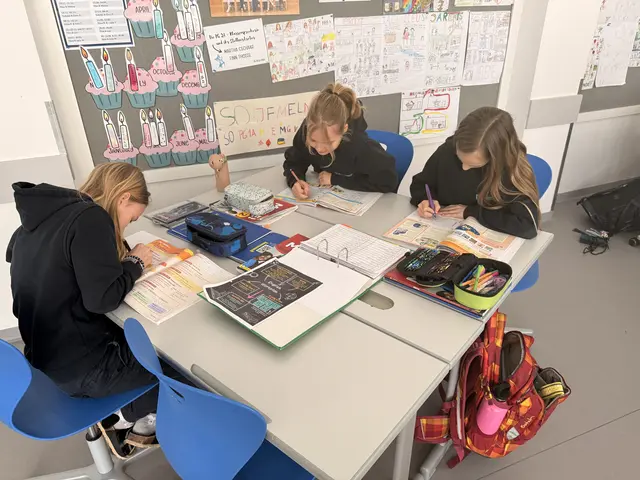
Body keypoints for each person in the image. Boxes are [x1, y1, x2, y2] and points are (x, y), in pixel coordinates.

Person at [6, 163, 162, 456]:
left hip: (43, 361)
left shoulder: (39, 222)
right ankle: (126, 416)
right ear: (123, 198)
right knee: (175, 363)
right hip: (83, 370)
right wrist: (136, 263)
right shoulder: (92, 218)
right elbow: (102, 300)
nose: (125, 226)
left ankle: (124, 411)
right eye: (131, 219)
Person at [409, 107, 540, 239]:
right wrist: (425, 200)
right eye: (459, 158)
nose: (464, 168)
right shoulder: (448, 150)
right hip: (442, 228)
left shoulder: (510, 171)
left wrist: (472, 212)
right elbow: (421, 184)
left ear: (495, 159)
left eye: (473, 165)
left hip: (485, 237)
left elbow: (527, 226)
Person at [283, 83, 398, 199]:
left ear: (344, 130)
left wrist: (336, 179)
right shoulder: (308, 131)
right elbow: (295, 161)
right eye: (313, 140)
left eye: (328, 143)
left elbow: (388, 181)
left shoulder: (360, 146)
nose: (319, 149)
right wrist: (295, 181)